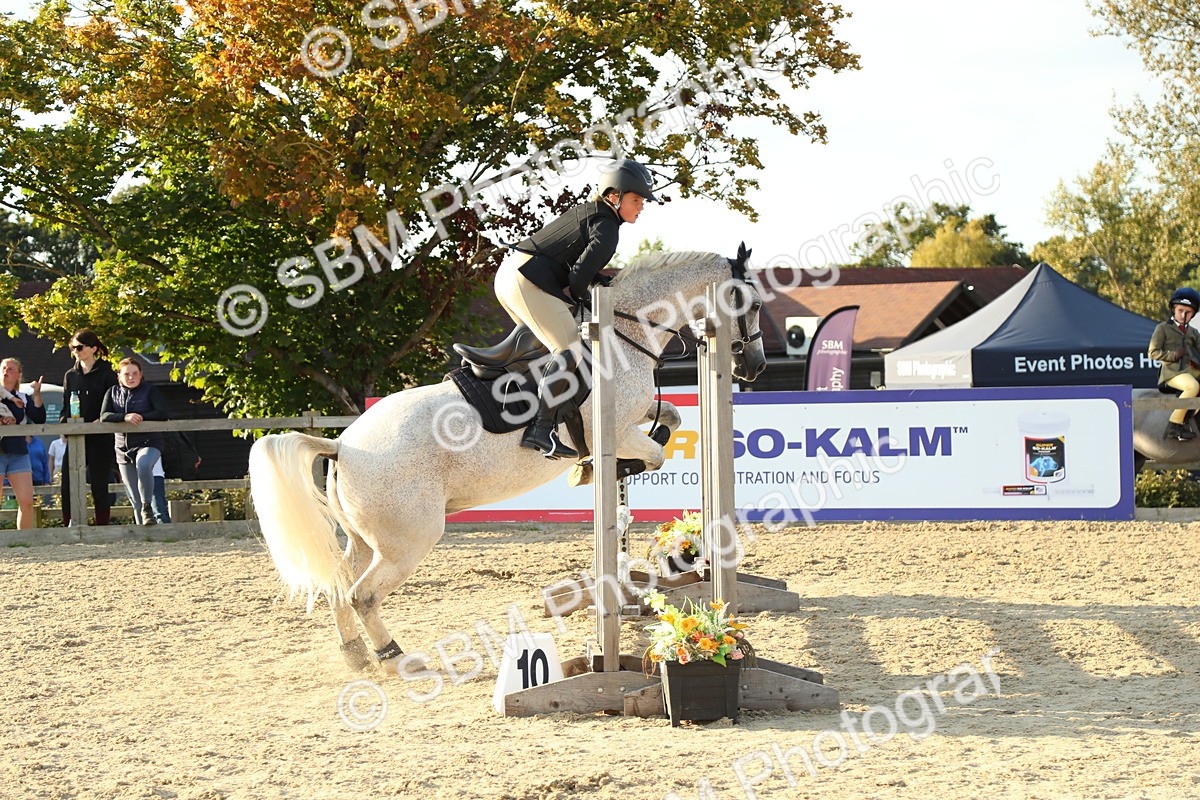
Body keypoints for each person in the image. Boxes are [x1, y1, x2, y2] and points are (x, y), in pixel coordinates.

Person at [493, 158, 659, 459]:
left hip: (513, 275)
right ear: (614, 196)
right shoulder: (608, 229)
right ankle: (540, 430)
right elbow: (578, 277)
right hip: (526, 280)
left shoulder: (594, 215)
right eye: (636, 200)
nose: (641, 207)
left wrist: (593, 283)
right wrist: (586, 296)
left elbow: (575, 267)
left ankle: (522, 403)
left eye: (643, 201)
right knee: (569, 350)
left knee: (544, 347)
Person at [60, 329, 119, 525]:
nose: (75, 351)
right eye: (72, 347)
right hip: (76, 433)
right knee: (67, 482)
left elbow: (112, 401)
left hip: (99, 434)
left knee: (99, 482)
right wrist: (64, 425)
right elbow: (66, 404)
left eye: (79, 347)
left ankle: (102, 524)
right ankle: (70, 523)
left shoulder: (107, 373)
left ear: (93, 348)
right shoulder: (70, 375)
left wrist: (102, 420)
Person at [100, 357, 168, 526]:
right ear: (119, 376)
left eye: (135, 373)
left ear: (141, 374)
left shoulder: (150, 390)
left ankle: (147, 506)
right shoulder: (113, 392)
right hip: (123, 448)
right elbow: (104, 416)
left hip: (149, 442)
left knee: (144, 464)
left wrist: (141, 417)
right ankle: (144, 537)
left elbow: (162, 413)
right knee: (133, 496)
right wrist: (124, 417)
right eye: (127, 374)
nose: (131, 377)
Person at [1148, 287, 1200, 440]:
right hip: (1172, 372)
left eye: (1188, 312)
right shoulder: (1162, 329)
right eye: (1180, 310)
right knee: (1193, 387)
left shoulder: (1193, 332)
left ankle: (1193, 417)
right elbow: (1152, 352)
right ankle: (1174, 424)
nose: (1183, 315)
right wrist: (1173, 355)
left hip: (1190, 369)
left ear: (1193, 314)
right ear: (1173, 309)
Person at [0, 358, 46, 529]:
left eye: (11, 369)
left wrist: (37, 394)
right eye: (3, 368)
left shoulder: (22, 398)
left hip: (18, 452)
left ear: (18, 375)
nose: (6, 372)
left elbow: (40, 418)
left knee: (27, 502)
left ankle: (23, 541)